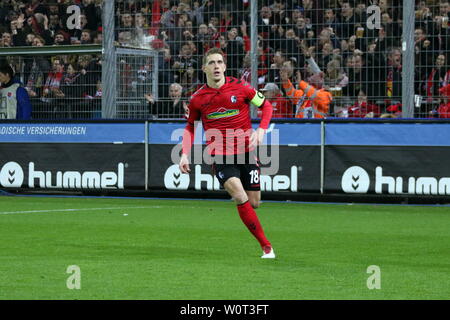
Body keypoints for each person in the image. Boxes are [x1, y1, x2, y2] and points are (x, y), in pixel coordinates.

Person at [179, 48, 275, 259]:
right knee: (239, 196)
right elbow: (190, 127)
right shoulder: (197, 98)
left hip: (247, 152)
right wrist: (184, 154)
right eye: (211, 62)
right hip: (219, 154)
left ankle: (250, 219)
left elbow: (267, 106)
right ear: (204, 68)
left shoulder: (242, 88)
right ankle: (266, 247)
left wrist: (261, 130)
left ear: (224, 66)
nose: (216, 66)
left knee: (254, 202)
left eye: (219, 62)